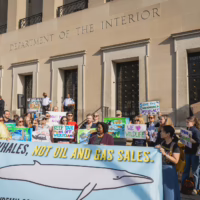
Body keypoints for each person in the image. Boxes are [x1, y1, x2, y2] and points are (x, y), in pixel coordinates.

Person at [156, 126, 180, 200]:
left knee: (169, 192)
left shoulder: (175, 146)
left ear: (168, 134)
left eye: (162, 131)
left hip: (169, 170)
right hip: (161, 169)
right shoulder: (162, 142)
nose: (161, 133)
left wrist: (165, 154)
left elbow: (176, 161)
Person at [181, 116, 200, 195]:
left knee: (195, 171)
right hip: (188, 152)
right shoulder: (187, 130)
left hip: (194, 153)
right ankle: (183, 186)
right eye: (186, 122)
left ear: (193, 122)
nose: (186, 123)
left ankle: (196, 188)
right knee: (186, 170)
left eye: (188, 122)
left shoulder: (196, 131)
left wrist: (193, 141)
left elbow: (199, 141)